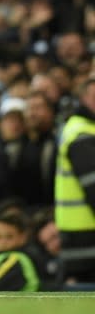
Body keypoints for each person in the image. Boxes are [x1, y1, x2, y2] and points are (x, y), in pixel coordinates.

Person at [54, 77, 95, 284]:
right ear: (83, 99)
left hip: (77, 236)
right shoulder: (82, 134)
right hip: (85, 240)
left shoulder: (81, 129)